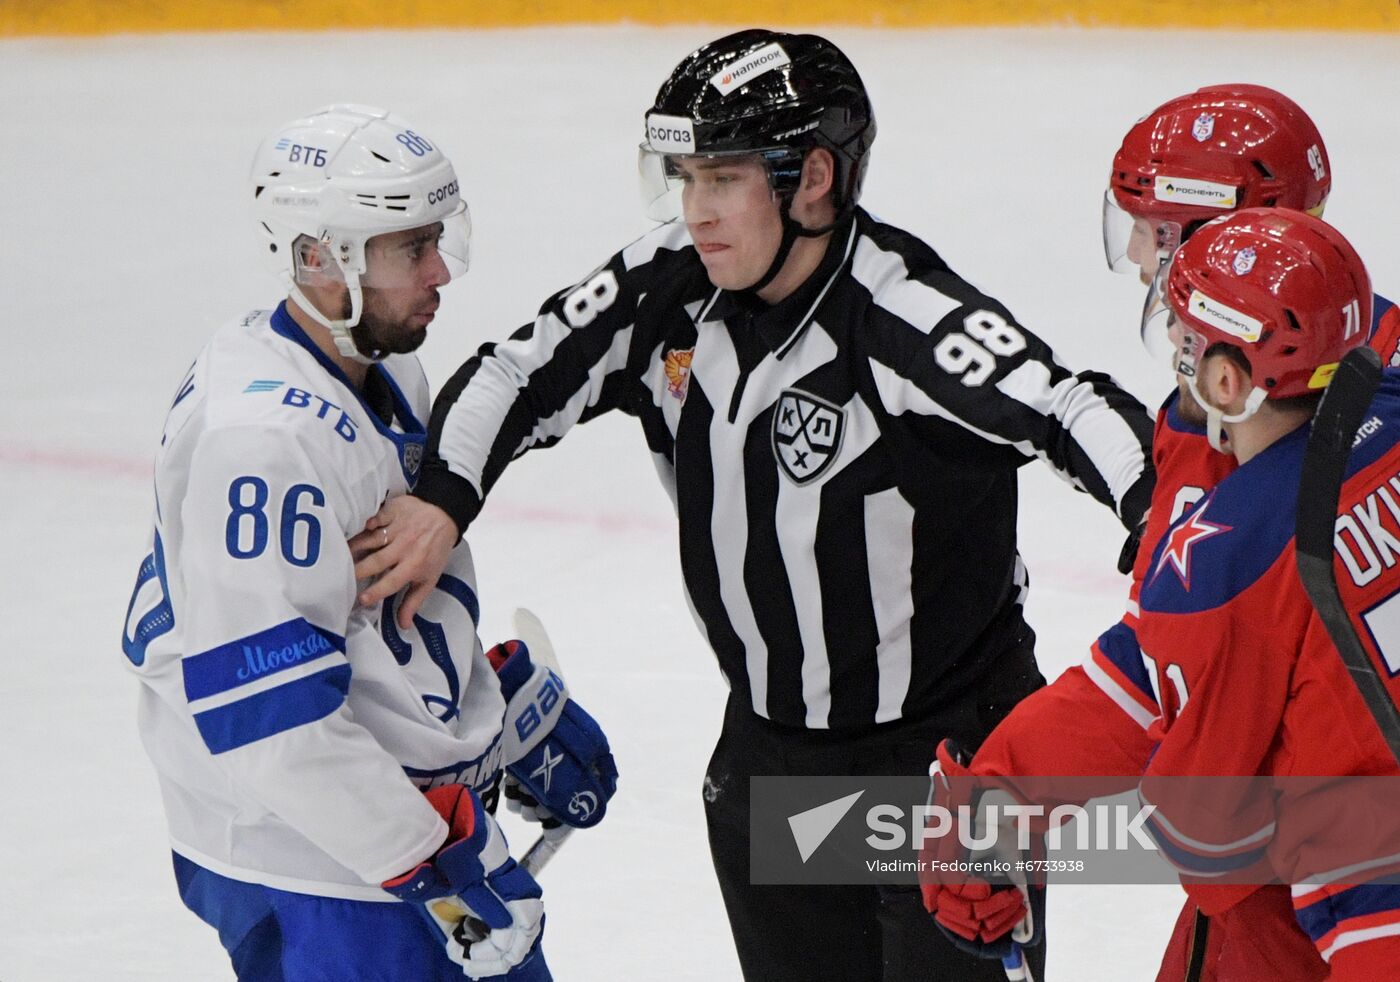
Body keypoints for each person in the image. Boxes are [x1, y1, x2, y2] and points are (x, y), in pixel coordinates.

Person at [351, 31, 1157, 981]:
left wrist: (1165, 529)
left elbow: (1074, 408)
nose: (695, 211)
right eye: (683, 176)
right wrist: (445, 499)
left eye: (723, 178)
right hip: (773, 758)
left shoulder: (903, 318)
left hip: (939, 769)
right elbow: (515, 374)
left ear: (812, 178)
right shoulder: (668, 285)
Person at [118, 105, 616, 981]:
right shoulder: (264, 441)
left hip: (378, 830)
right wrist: (432, 866)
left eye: (435, 240)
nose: (437, 275)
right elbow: (270, 719)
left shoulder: (374, 363)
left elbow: (368, 601)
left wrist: (491, 713)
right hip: (323, 865)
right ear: (317, 257)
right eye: (406, 250)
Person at [920, 85, 1400, 982]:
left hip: (1322, 905)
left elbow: (1190, 758)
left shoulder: (1227, 525)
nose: (1138, 253)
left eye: (1157, 225)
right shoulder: (1366, 346)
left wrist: (1003, 798)